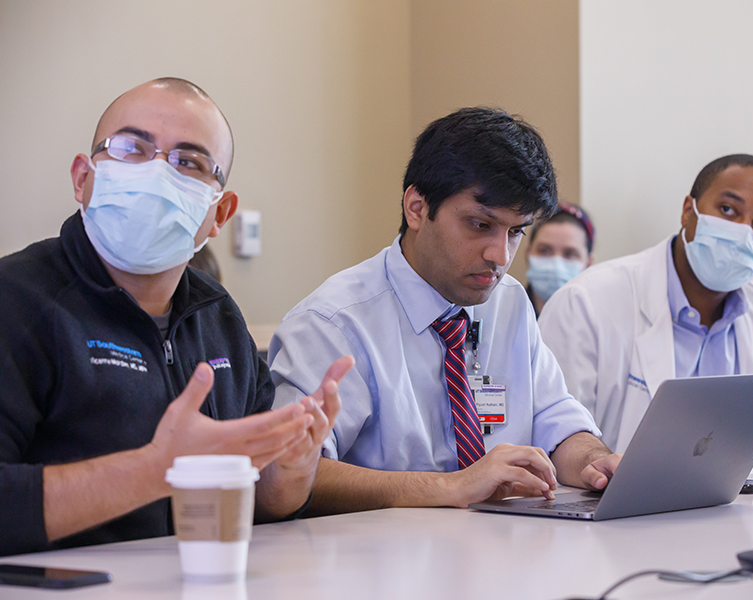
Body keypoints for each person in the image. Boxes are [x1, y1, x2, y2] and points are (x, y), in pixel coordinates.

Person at [0, 78, 351, 557]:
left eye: (188, 162)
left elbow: (267, 507)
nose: (157, 173)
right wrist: (156, 468)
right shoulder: (17, 300)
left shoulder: (218, 316)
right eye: (132, 148)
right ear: (83, 177)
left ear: (220, 213)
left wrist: (292, 466)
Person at [269, 107, 620, 516]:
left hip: (501, 552)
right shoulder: (333, 323)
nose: (500, 255)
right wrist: (452, 486)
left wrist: (596, 462)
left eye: (515, 232)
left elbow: (556, 421)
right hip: (377, 563)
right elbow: (291, 477)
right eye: (479, 224)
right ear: (416, 208)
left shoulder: (508, 302)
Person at [539, 154, 753, 457]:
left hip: (747, 511)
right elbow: (554, 433)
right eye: (729, 210)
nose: (744, 232)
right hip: (616, 510)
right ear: (688, 212)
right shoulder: (586, 302)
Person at [525, 202, 594, 316]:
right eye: (544, 250)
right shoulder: (502, 313)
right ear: (528, 254)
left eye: (570, 254)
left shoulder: (599, 324)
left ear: (589, 263)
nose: (556, 264)